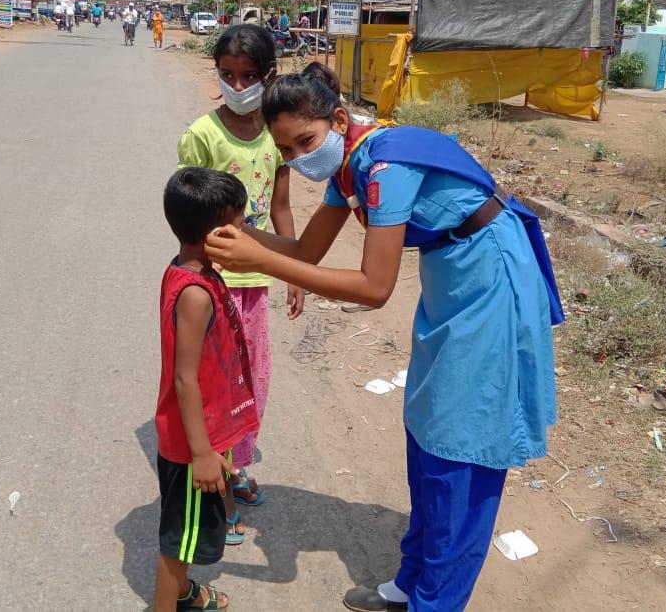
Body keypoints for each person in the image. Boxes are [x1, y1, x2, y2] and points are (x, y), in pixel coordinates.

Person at [206, 73, 563, 612]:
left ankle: (436, 601)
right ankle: (414, 581)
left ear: (340, 122)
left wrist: (260, 261)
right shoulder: (348, 169)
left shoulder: (387, 166)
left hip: (491, 283)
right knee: (427, 426)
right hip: (454, 281)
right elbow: (305, 253)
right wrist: (243, 234)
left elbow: (374, 288)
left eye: (305, 142)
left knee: (462, 445)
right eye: (284, 150)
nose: (298, 157)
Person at [177, 24, 304, 542]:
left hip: (257, 283)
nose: (238, 84)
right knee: (218, 382)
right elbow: (189, 216)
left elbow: (279, 207)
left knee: (253, 383)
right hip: (214, 287)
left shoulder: (276, 140)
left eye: (249, 76)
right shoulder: (202, 136)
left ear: (267, 76)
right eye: (227, 75)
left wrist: (296, 271)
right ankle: (218, 487)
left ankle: (237, 463)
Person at [155, 167, 260, 612]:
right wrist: (202, 452)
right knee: (178, 547)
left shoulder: (189, 269)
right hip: (193, 445)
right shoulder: (195, 293)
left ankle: (184, 595)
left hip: (204, 435)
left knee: (186, 534)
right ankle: (169, 600)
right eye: (238, 225)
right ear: (214, 234)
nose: (245, 232)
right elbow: (185, 378)